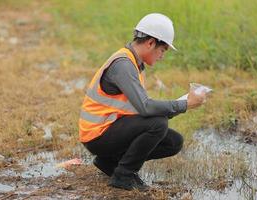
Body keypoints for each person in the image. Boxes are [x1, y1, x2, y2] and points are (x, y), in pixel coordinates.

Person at [78, 13, 206, 191]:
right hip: (97, 135)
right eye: (162, 50)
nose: (162, 56)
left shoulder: (135, 63)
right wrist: (184, 105)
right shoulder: (123, 65)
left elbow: (141, 110)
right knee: (157, 124)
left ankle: (109, 162)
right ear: (151, 42)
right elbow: (146, 108)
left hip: (111, 128)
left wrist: (183, 104)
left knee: (173, 141)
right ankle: (123, 176)